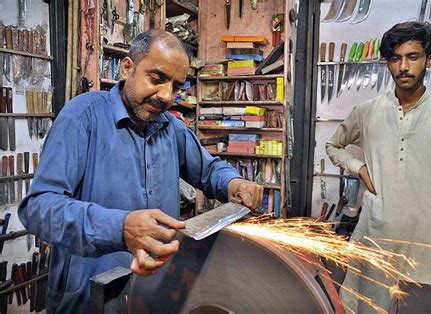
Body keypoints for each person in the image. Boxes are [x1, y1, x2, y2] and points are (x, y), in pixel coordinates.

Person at [18, 30, 263, 313]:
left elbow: (209, 169)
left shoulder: (170, 127)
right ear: (127, 68)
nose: (166, 96)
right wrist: (120, 228)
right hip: (88, 298)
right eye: (157, 79)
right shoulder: (82, 117)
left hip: (151, 295)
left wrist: (233, 183)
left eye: (177, 87)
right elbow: (38, 209)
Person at [325, 22, 431, 312]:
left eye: (413, 57)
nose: (403, 66)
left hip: (425, 248)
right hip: (375, 242)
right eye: (395, 58)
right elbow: (334, 146)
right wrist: (358, 167)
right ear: (387, 63)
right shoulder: (367, 112)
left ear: (430, 58)